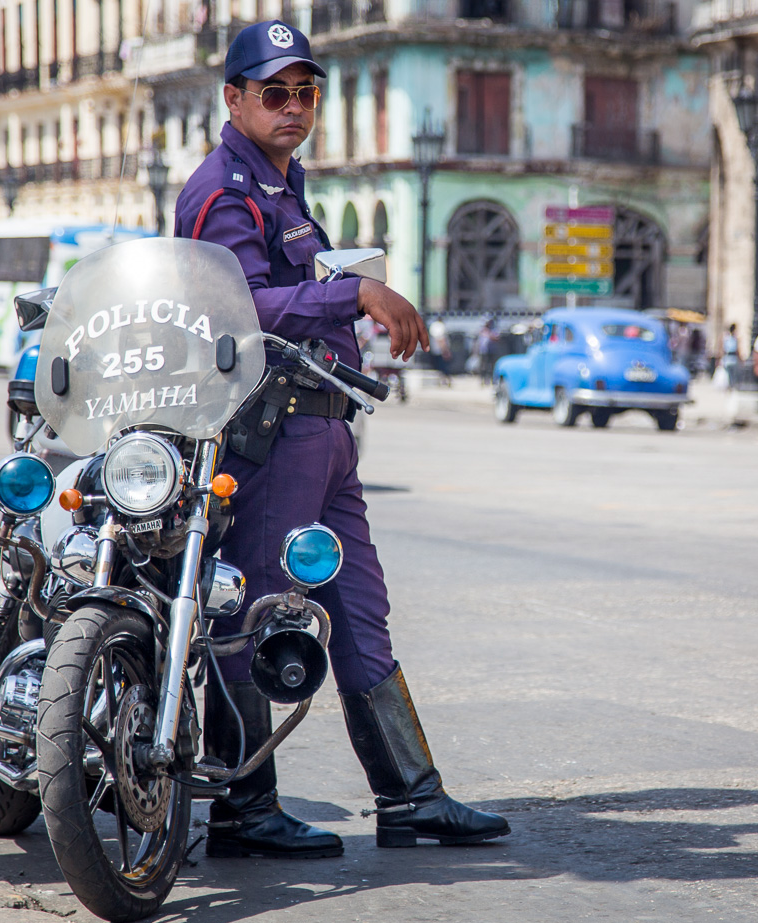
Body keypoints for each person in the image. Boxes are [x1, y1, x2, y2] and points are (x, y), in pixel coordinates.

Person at [172, 19, 508, 860]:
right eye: (274, 91)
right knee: (257, 613)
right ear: (234, 99)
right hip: (269, 435)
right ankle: (244, 805)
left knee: (361, 613)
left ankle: (410, 796)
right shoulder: (223, 192)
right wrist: (355, 294)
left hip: (325, 432)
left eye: (306, 91)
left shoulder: (284, 186)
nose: (294, 107)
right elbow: (235, 302)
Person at [474, 316, 500, 383]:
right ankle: (483, 380)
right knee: (483, 366)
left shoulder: (494, 330)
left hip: (492, 350)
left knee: (492, 366)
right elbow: (479, 341)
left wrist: (490, 335)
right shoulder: (482, 330)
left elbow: (496, 338)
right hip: (483, 351)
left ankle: (492, 380)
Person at [428, 315, 452, 386]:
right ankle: (445, 380)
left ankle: (443, 380)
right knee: (443, 367)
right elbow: (441, 340)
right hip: (440, 351)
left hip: (435, 350)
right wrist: (445, 350)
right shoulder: (439, 326)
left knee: (440, 367)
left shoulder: (434, 326)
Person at [720, 323, 741, 391]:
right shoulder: (727, 337)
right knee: (728, 373)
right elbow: (722, 348)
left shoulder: (734, 338)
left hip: (732, 357)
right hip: (728, 357)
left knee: (732, 373)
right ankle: (729, 386)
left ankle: (731, 386)